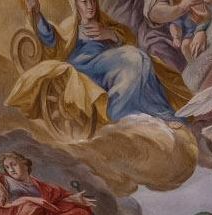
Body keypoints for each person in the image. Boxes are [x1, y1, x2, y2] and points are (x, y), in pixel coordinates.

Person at [12, 0, 185, 132]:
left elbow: (128, 38)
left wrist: (109, 33)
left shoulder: (104, 21)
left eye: (92, 0)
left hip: (107, 63)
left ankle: (158, 112)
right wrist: (36, 14)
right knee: (134, 57)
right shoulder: (69, 26)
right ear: (75, 4)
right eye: (84, 1)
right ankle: (118, 114)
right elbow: (50, 41)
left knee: (141, 59)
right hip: (83, 67)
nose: (90, 6)